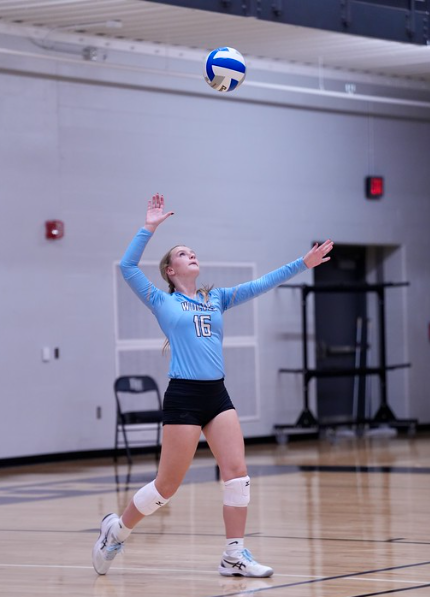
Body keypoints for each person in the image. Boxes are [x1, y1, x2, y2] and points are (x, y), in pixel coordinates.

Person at [92, 193, 333, 578]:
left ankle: (233, 554)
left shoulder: (215, 299)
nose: (192, 256)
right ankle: (115, 531)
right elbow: (127, 265)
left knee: (237, 473)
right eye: (183, 254)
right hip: (184, 396)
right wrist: (149, 227)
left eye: (192, 252)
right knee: (166, 487)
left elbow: (262, 283)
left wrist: (302, 264)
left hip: (217, 394)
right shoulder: (160, 300)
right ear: (170, 270)